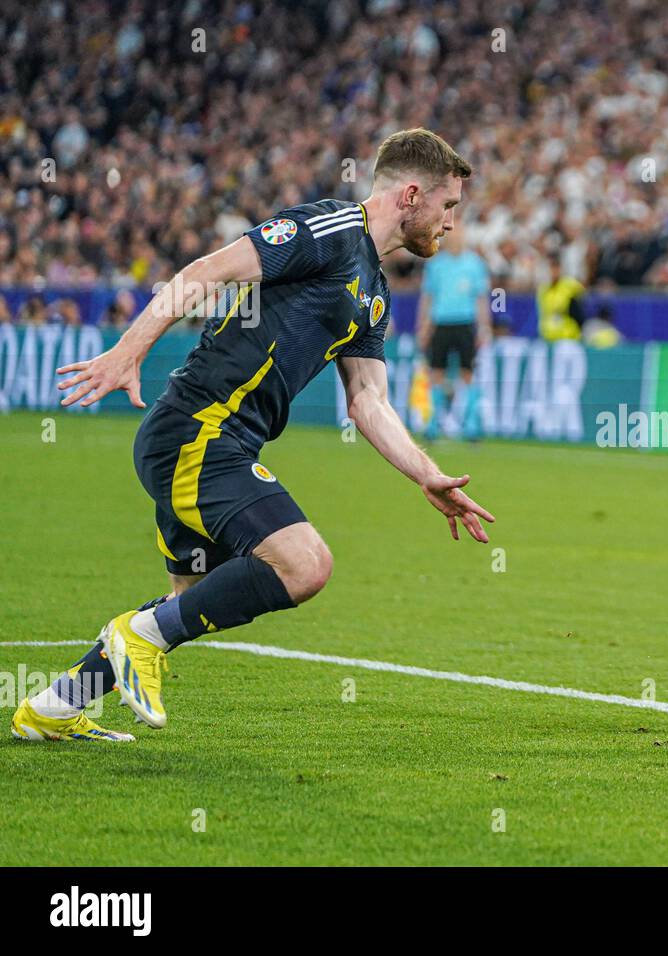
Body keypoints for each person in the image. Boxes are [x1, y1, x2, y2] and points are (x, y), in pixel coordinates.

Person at [12, 128, 496, 743]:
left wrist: (427, 475)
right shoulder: (328, 231)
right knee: (304, 563)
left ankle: (53, 707)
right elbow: (206, 271)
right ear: (409, 194)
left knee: (188, 601)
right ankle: (134, 639)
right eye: (448, 205)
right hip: (195, 431)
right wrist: (127, 353)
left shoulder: (374, 292)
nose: (452, 222)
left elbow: (369, 402)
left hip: (224, 445)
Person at [415, 227, 490, 439]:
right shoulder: (436, 265)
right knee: (436, 373)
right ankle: (432, 424)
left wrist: (484, 328)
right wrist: (423, 327)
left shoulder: (475, 264)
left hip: (465, 322)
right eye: (453, 237)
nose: (456, 241)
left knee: (468, 373)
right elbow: (428, 298)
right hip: (441, 322)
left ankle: (472, 425)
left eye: (460, 237)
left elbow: (481, 299)